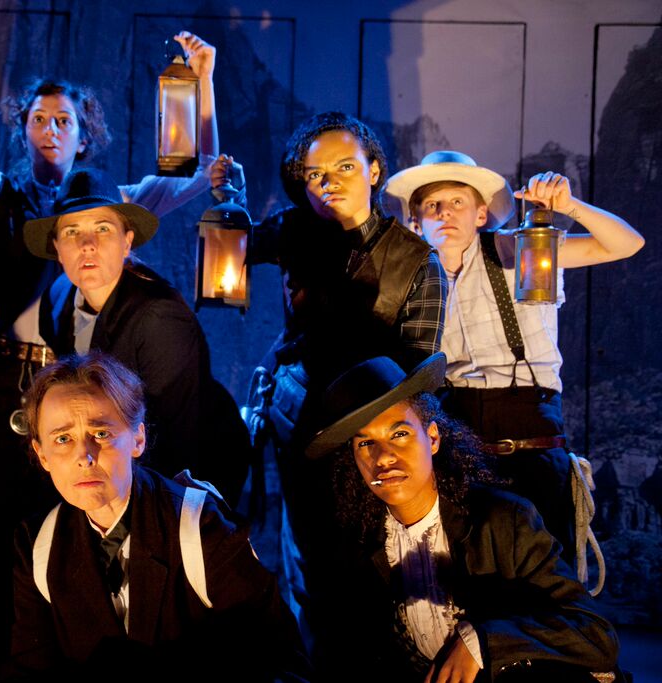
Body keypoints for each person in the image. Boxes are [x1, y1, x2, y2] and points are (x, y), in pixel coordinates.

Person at [0, 8, 240, 667]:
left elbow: (203, 169)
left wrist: (203, 82)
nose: (50, 130)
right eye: (39, 119)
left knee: (69, 523)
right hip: (4, 387)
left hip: (75, 392)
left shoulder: (114, 202)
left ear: (83, 135)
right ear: (23, 130)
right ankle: (0, 655)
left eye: (63, 121)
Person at [242, 111, 447, 655]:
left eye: (345, 167)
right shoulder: (292, 232)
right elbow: (229, 237)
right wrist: (225, 192)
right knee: (306, 575)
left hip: (372, 436)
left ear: (374, 169)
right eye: (315, 174)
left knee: (374, 576)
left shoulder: (416, 262)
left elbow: (419, 380)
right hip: (299, 427)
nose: (329, 182)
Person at [383, 150, 645, 562]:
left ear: (480, 214)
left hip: (532, 439)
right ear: (416, 221)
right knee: (471, 571)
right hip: (459, 443)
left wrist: (569, 206)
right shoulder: (409, 281)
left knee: (547, 572)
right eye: (432, 204)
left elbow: (627, 244)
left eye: (457, 202)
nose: (445, 212)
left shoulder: (522, 251)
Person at [309, 353, 619, 682]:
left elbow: (596, 636)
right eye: (366, 443)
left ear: (432, 438)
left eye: (399, 434)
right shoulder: (357, 549)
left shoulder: (504, 521)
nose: (383, 458)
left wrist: (481, 641)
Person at [6, 352, 310, 681]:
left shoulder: (199, 525)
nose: (84, 457)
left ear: (138, 439)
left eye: (101, 434)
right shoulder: (38, 545)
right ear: (42, 455)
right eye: (63, 439)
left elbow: (283, 662)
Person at [24, 168, 252, 503]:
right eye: (72, 232)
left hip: (192, 472)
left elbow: (172, 437)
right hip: (107, 458)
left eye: (103, 228)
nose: (87, 245)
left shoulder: (160, 318)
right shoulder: (57, 298)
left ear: (126, 241)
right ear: (57, 248)